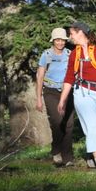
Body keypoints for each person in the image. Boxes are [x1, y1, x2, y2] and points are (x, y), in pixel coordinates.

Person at [58, 21, 96, 172]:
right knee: (92, 126)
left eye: (72, 34)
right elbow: (69, 77)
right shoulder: (74, 53)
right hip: (81, 92)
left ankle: (91, 151)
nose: (70, 37)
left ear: (81, 33)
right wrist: (63, 99)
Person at [35, 27, 75, 167]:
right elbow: (40, 76)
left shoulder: (70, 54)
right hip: (50, 92)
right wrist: (38, 98)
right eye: (57, 40)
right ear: (53, 41)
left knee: (69, 124)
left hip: (67, 92)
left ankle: (68, 156)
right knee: (58, 122)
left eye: (62, 40)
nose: (60, 43)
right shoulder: (46, 55)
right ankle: (56, 150)